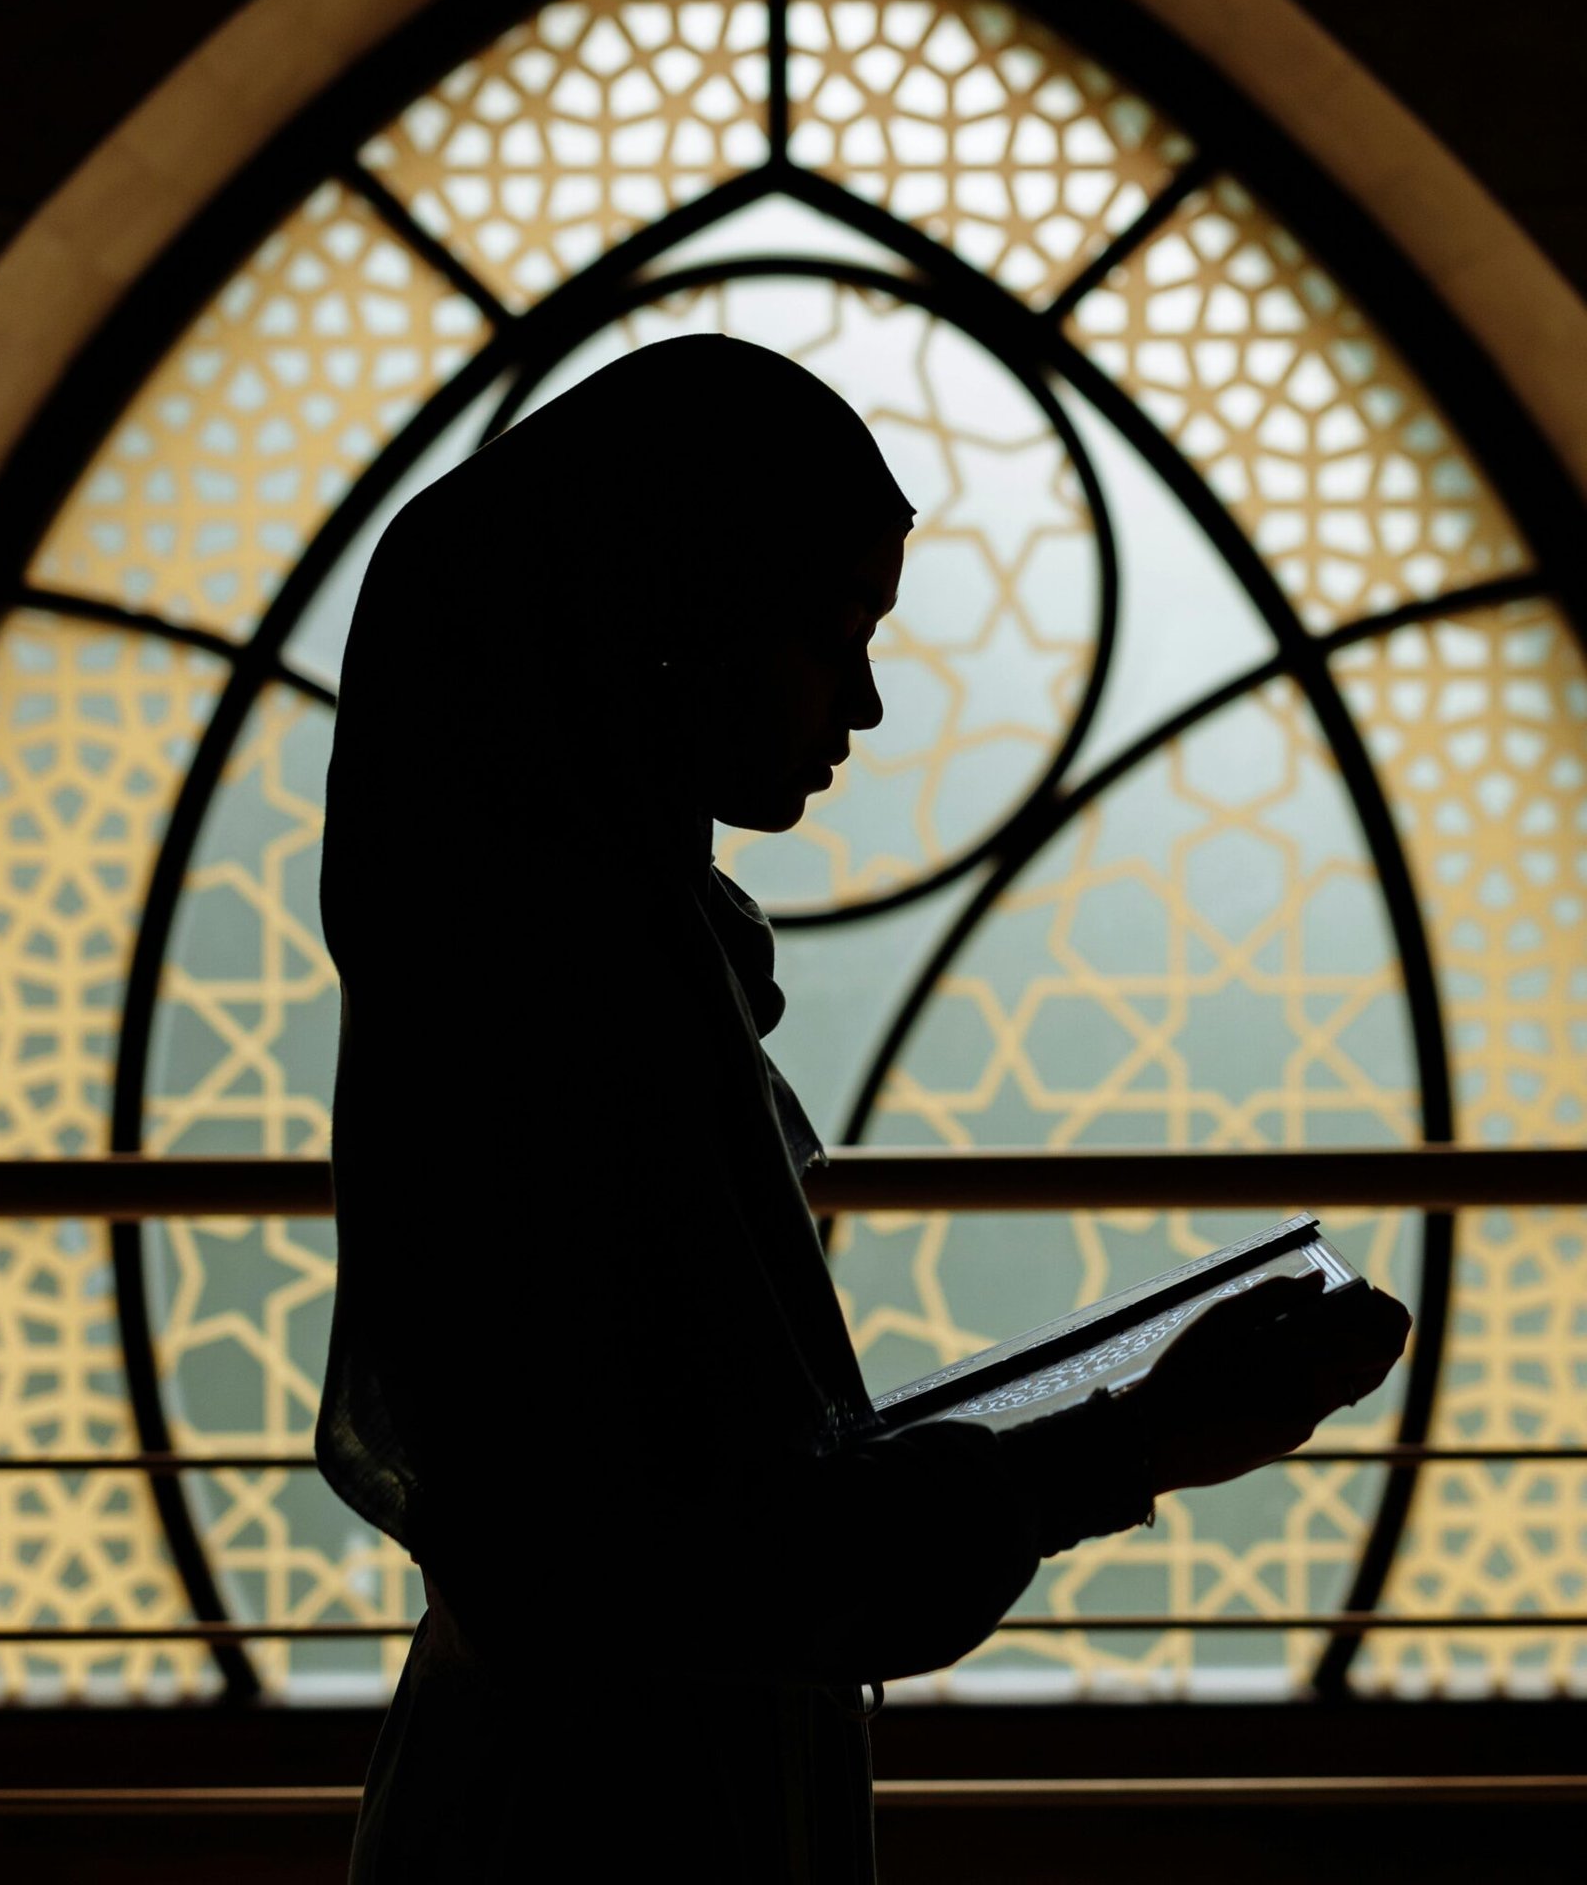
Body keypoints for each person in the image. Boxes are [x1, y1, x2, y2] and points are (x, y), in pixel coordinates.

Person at [315, 335, 1409, 1882]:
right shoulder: (571, 1015)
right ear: (673, 629)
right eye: (833, 634)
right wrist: (1136, 1435)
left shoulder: (548, 975)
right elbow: (661, 1561)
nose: (874, 703)